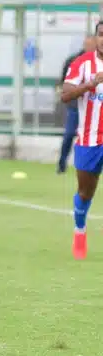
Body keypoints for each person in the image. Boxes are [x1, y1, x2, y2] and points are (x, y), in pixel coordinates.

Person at [61, 22, 103, 260]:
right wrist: (89, 85)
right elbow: (65, 95)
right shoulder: (82, 64)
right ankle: (80, 229)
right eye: (101, 34)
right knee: (86, 192)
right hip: (89, 138)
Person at [57, 35, 97, 174]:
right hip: (76, 107)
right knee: (69, 135)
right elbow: (64, 83)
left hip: (96, 108)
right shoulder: (74, 61)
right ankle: (61, 164)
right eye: (87, 44)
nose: (89, 47)